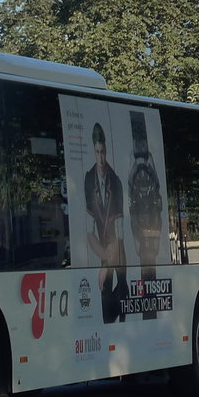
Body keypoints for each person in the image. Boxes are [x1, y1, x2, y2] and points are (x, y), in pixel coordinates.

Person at [85, 122, 127, 323]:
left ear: (107, 151)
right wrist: (103, 259)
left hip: (117, 252)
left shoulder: (116, 182)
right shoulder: (88, 180)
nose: (101, 158)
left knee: (122, 292)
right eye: (97, 152)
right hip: (104, 252)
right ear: (94, 151)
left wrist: (106, 264)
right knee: (105, 305)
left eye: (103, 152)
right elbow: (89, 232)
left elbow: (119, 235)